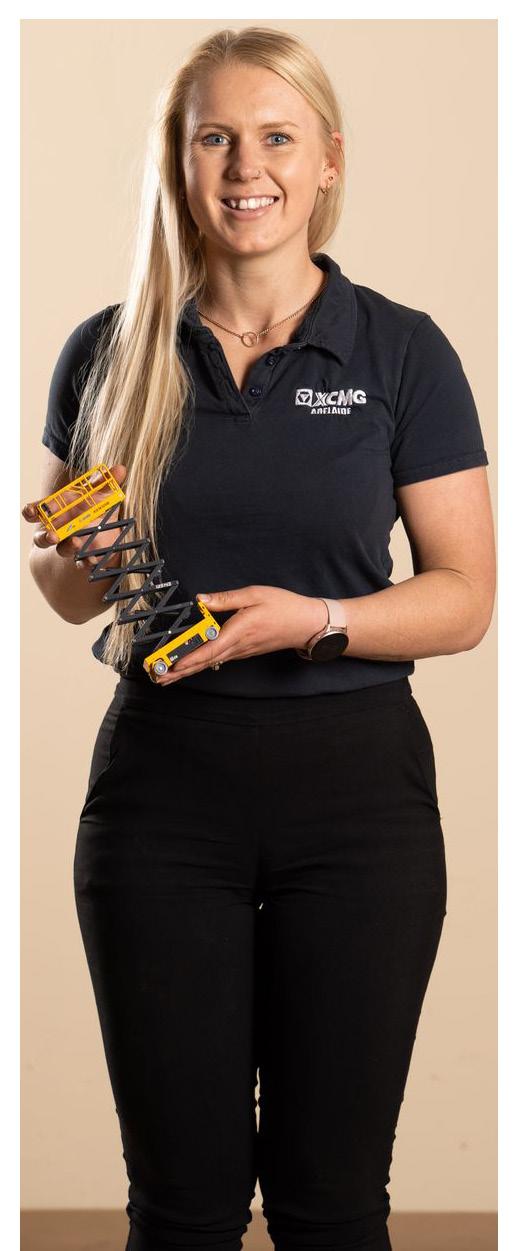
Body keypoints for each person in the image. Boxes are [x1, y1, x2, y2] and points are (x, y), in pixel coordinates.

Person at [23, 25, 496, 1251]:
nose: (247, 167)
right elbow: (69, 593)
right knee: (180, 1209)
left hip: (359, 806)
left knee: (332, 1207)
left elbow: (464, 597)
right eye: (215, 139)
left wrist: (318, 622)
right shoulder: (110, 350)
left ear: (327, 159)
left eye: (276, 137)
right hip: (160, 801)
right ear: (179, 163)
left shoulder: (402, 350)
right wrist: (77, 555)